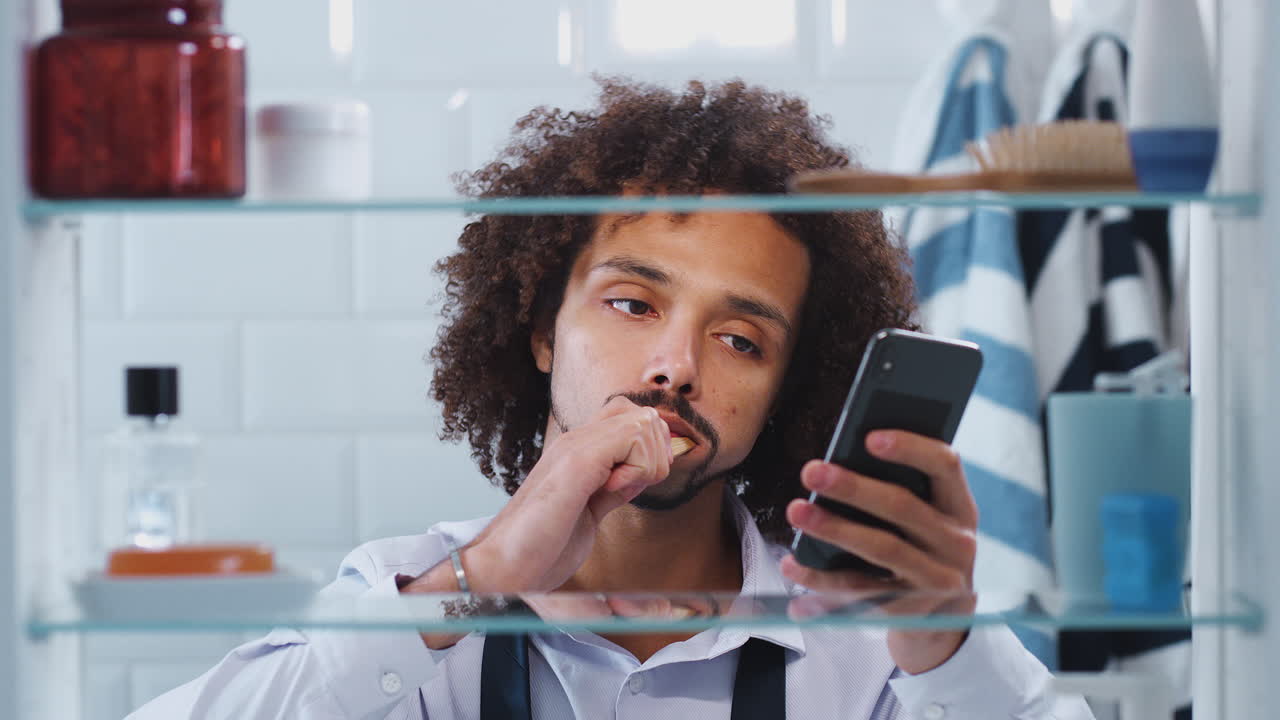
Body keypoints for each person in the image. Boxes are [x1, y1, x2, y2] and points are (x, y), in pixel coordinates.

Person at [130, 78, 1092, 719]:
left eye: (739, 338)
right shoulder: (414, 595)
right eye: (633, 303)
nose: (673, 367)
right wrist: (487, 573)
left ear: (783, 392)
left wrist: (949, 646)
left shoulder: (871, 642)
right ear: (544, 327)